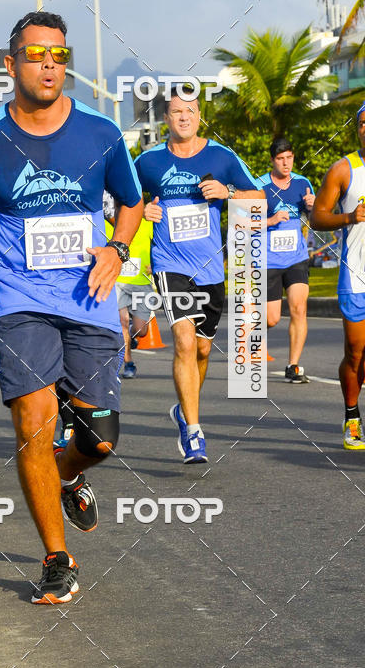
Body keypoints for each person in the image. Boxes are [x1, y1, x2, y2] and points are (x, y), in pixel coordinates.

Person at [0, 10, 143, 604]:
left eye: (59, 55)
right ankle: (56, 558)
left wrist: (116, 248)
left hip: (89, 299)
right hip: (19, 302)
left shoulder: (101, 134)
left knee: (100, 438)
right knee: (33, 421)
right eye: (37, 54)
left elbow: (132, 205)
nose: (49, 64)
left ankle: (68, 472)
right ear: (10, 65)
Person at [136, 92, 264, 463]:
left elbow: (260, 197)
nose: (183, 117)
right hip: (169, 264)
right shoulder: (149, 161)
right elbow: (121, 197)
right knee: (185, 343)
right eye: (176, 112)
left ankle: (183, 408)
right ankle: (194, 431)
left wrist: (229, 192)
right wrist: (143, 208)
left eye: (189, 111)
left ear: (199, 116)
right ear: (166, 118)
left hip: (209, 268)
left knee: (204, 348)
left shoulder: (221, 157)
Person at [311, 101, 365, 449]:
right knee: (357, 352)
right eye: (363, 123)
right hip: (356, 274)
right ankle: (351, 415)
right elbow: (317, 217)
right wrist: (350, 218)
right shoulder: (343, 170)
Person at [257, 137, 314, 383]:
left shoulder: (302, 183)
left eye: (289, 157)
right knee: (272, 318)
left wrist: (313, 206)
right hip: (268, 261)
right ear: (272, 160)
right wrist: (269, 221)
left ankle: (293, 365)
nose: (286, 163)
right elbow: (242, 223)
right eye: (280, 159)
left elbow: (318, 216)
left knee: (299, 309)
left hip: (296, 258)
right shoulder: (259, 185)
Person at [105, 213, 153, 378]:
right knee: (123, 321)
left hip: (141, 282)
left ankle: (131, 338)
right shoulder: (107, 225)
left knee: (141, 330)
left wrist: (155, 263)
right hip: (117, 281)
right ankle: (129, 364)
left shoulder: (147, 223)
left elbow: (159, 245)